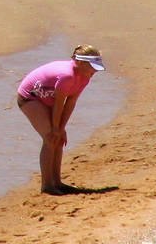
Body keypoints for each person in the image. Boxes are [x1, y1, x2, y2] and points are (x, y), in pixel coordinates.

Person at [16, 45, 106, 194]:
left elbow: (71, 102)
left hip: (48, 99)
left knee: (58, 138)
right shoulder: (66, 75)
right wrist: (56, 129)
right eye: (92, 68)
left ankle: (57, 182)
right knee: (50, 137)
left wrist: (62, 128)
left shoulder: (84, 78)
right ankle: (47, 185)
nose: (95, 71)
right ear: (81, 63)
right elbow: (59, 104)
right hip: (31, 98)